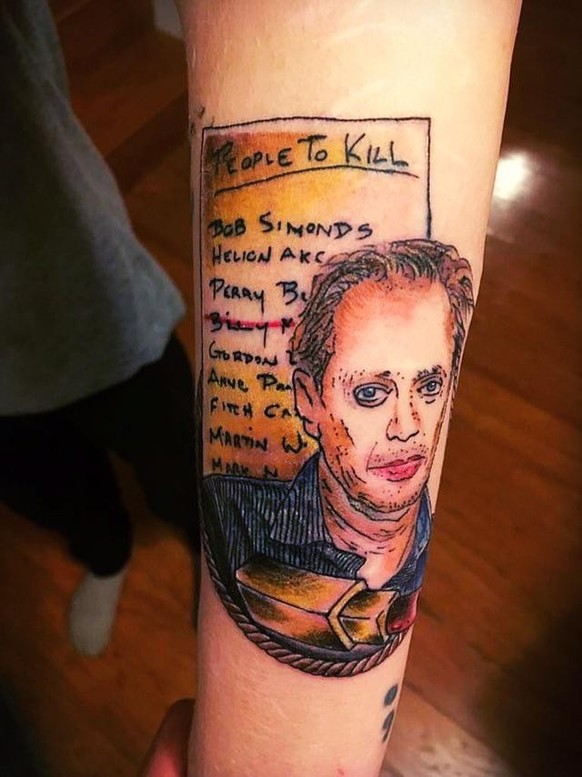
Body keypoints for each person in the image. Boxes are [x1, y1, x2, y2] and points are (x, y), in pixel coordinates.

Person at [0, 0, 198, 657]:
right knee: (48, 485)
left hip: (76, 283)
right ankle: (107, 554)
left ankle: (217, 552)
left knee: (178, 458)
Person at [201, 239, 473, 661]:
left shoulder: (429, 545)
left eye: (430, 386)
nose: (407, 427)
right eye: (370, 393)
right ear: (309, 399)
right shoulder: (231, 518)